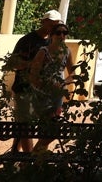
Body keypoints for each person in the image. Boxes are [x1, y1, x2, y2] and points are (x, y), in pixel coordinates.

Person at [3, 9, 62, 153]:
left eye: (56, 24)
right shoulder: (27, 40)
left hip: (45, 93)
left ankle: (30, 157)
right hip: (24, 89)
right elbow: (12, 63)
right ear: (43, 22)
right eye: (51, 23)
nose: (53, 27)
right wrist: (33, 64)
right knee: (25, 127)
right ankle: (27, 160)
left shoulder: (54, 42)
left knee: (50, 128)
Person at [27, 23, 73, 154]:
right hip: (41, 96)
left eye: (65, 33)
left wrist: (63, 83)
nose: (62, 35)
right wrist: (47, 84)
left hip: (57, 96)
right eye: (58, 32)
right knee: (51, 129)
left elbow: (73, 73)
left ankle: (36, 160)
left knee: (50, 129)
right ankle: (33, 159)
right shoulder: (43, 52)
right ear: (52, 35)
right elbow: (33, 75)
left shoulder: (67, 52)